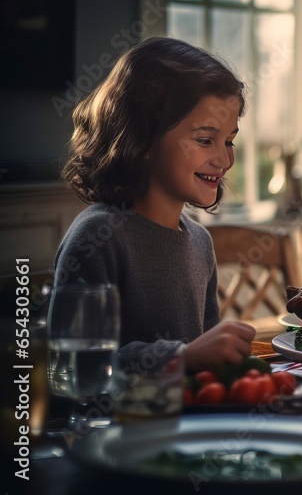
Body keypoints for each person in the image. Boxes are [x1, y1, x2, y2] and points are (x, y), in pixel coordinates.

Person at [55, 37, 255, 372]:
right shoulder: (96, 238)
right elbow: (72, 371)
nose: (224, 159)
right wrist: (179, 359)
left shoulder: (201, 243)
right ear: (143, 139)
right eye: (205, 140)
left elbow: (203, 374)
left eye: (229, 140)